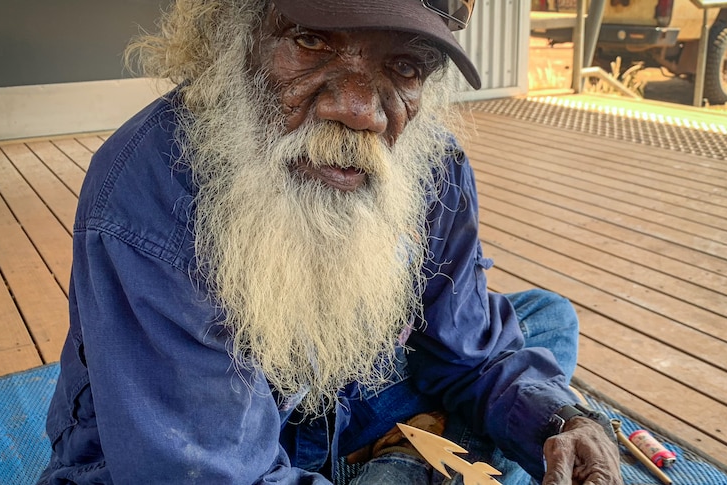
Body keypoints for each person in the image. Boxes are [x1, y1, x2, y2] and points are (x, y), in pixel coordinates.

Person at [38, 0, 621, 483]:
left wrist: (561, 423)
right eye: (312, 43)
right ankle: (412, 463)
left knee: (548, 319)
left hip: (354, 406)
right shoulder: (150, 188)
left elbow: (468, 348)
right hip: (225, 442)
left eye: (405, 68)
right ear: (231, 42)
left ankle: (403, 459)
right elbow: (205, 468)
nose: (361, 111)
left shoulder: (434, 169)